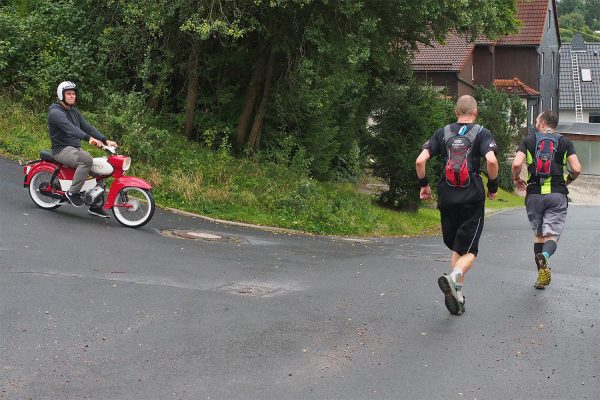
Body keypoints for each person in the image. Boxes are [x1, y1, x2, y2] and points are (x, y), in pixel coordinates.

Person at [415, 95, 499, 315]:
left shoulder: (442, 133)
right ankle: (452, 278)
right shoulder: (481, 133)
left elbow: (420, 161)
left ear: (456, 112)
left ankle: (457, 294)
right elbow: (491, 161)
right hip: (471, 196)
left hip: (447, 194)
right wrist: (492, 185)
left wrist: (424, 185)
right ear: (475, 112)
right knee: (470, 251)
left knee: (457, 247)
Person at [511, 111, 581, 289]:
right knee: (552, 236)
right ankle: (546, 257)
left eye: (536, 120)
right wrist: (568, 180)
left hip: (534, 194)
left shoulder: (528, 140)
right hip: (557, 194)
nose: (535, 123)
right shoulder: (565, 142)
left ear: (542, 122)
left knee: (539, 235)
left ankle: (540, 276)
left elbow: (517, 164)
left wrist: (516, 179)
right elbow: (577, 168)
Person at [48, 81, 118, 217]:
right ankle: (72, 192)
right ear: (61, 95)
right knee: (86, 160)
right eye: (68, 94)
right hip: (61, 150)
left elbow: (87, 127)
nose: (72, 96)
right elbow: (70, 128)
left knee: (102, 167)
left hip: (74, 149)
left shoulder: (74, 111)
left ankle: (95, 205)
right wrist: (89, 139)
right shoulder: (55, 112)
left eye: (73, 94)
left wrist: (105, 140)